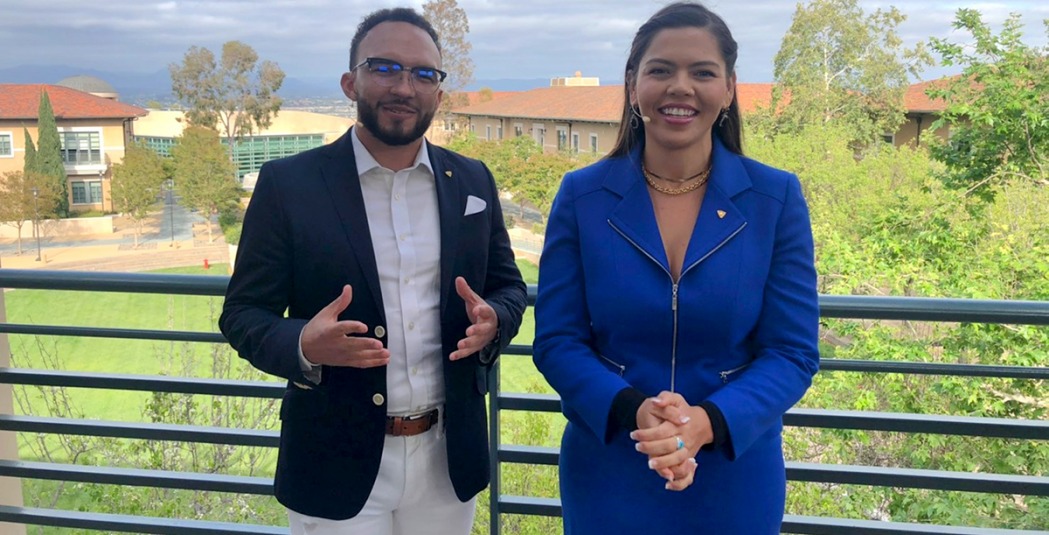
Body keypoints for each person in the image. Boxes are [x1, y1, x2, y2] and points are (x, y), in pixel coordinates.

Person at [219, 7, 527, 535]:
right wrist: (303, 345)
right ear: (350, 82)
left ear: (438, 92)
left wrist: (494, 319)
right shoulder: (288, 185)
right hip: (334, 459)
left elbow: (508, 287)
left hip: (447, 457)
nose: (404, 86)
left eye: (423, 73)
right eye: (384, 68)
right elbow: (243, 313)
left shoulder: (472, 181)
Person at [532, 2, 820, 533]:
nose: (679, 87)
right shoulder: (582, 196)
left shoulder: (775, 198)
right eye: (660, 70)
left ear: (729, 88)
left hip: (733, 469)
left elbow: (792, 351)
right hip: (611, 461)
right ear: (633, 84)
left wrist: (704, 425)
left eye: (702, 72)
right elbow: (556, 341)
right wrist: (639, 414)